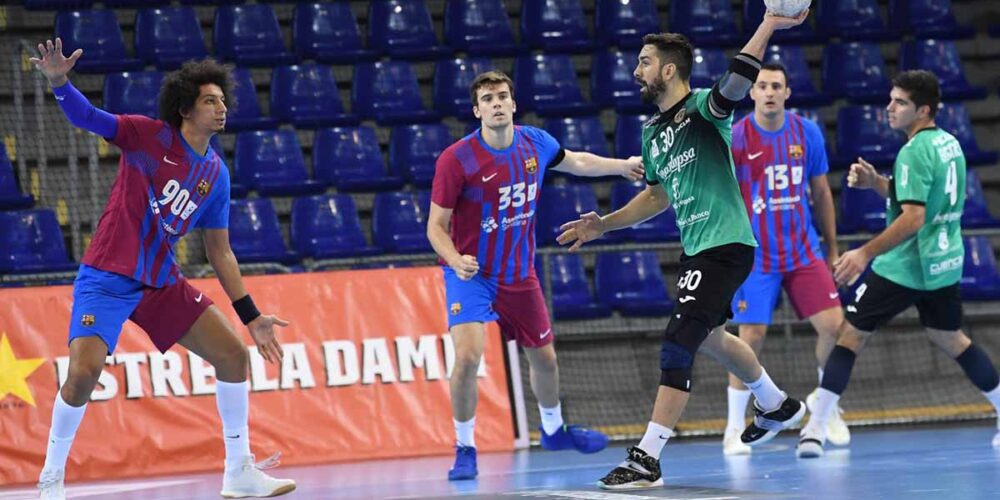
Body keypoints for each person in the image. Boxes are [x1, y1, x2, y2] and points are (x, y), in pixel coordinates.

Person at [557, 10, 811, 490]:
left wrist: (770, 24)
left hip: (727, 245)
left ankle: (646, 457)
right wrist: (602, 225)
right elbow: (656, 196)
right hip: (697, 250)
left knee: (678, 341)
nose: (637, 71)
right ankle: (778, 403)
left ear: (669, 69)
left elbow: (737, 80)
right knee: (713, 337)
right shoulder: (652, 134)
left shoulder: (703, 109)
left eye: (645, 62)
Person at [31, 39, 295, 499]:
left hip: (160, 281)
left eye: (223, 100)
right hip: (108, 276)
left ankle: (239, 472)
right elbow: (90, 119)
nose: (222, 108)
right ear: (185, 108)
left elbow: (221, 252)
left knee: (233, 357)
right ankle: (51, 478)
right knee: (83, 374)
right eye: (210, 100)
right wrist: (59, 83)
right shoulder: (148, 137)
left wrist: (252, 316)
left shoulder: (216, 173)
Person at [427, 70, 644, 481]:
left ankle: (552, 430)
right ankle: (465, 446)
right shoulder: (456, 160)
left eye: (502, 96)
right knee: (468, 357)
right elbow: (435, 226)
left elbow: (576, 160)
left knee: (544, 358)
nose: (495, 103)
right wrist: (455, 260)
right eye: (487, 98)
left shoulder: (536, 142)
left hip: (518, 273)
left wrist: (623, 165)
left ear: (513, 104)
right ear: (477, 111)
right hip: (471, 273)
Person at [798, 70, 1000, 458]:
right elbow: (922, 197)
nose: (889, 108)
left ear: (923, 110)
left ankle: (816, 430)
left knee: (849, 336)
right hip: (942, 261)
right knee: (951, 338)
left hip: (904, 265)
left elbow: (913, 217)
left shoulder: (912, 151)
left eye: (900, 102)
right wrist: (877, 182)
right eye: (891, 99)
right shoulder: (949, 143)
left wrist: (863, 253)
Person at [722, 62, 849, 455]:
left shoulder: (806, 132)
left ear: (787, 92)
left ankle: (826, 409)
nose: (770, 91)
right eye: (762, 86)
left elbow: (822, 192)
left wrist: (831, 248)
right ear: (753, 93)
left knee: (835, 327)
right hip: (757, 255)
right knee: (750, 337)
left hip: (803, 251)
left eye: (777, 85)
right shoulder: (737, 137)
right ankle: (733, 427)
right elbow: (725, 195)